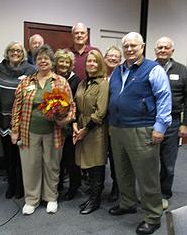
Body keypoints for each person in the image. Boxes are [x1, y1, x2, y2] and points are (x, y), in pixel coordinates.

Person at [108, 32, 172, 235]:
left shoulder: (153, 69)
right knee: (122, 171)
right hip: (117, 128)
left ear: (142, 47)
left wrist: (160, 127)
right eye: (125, 45)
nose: (129, 49)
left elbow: (164, 98)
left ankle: (153, 216)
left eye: (133, 46)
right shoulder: (117, 70)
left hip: (142, 129)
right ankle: (127, 203)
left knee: (147, 175)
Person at [11, 45, 75, 215]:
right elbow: (17, 106)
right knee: (30, 166)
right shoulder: (26, 81)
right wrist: (15, 129)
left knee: (52, 165)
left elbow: (71, 106)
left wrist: (66, 119)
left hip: (54, 132)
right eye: (40, 58)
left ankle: (51, 198)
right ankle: (31, 199)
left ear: (52, 62)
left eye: (46, 58)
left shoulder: (61, 82)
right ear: (35, 61)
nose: (43, 61)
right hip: (28, 131)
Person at [0, 41, 35, 199]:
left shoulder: (31, 70)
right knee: (8, 156)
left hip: (23, 120)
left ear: (23, 53)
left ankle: (21, 186)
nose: (15, 52)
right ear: (7, 52)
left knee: (22, 157)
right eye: (12, 50)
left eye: (18, 50)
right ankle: (11, 185)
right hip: (3, 120)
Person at [73, 49, 109, 215]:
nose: (91, 64)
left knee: (96, 166)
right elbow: (74, 106)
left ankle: (95, 200)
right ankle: (91, 197)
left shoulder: (103, 84)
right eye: (89, 61)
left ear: (100, 64)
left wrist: (85, 130)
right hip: (81, 126)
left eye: (95, 61)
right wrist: (74, 124)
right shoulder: (82, 83)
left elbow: (101, 112)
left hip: (95, 130)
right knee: (86, 164)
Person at [154, 36, 187, 210]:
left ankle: (164, 194)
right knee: (149, 162)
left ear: (172, 51)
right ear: (155, 50)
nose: (162, 50)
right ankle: (151, 194)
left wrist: (185, 123)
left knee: (168, 163)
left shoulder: (182, 70)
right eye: (159, 47)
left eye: (166, 47)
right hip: (151, 121)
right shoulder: (149, 68)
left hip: (173, 122)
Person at [54, 49, 81, 200]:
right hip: (54, 125)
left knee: (71, 159)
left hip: (71, 125)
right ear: (56, 62)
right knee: (57, 159)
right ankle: (57, 186)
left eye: (67, 62)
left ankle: (74, 187)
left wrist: (70, 119)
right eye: (61, 61)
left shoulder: (76, 81)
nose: (64, 64)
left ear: (71, 64)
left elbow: (77, 104)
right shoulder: (51, 78)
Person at [103, 45, 122, 202]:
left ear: (120, 60)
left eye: (116, 56)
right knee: (98, 156)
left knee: (116, 158)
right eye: (110, 55)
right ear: (104, 58)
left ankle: (117, 186)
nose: (113, 58)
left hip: (115, 124)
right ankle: (96, 185)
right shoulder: (99, 75)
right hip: (98, 124)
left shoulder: (124, 76)